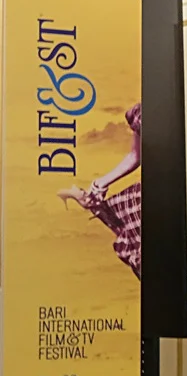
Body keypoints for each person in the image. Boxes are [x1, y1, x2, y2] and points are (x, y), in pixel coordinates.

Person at [58, 102, 142, 279]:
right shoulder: (143, 112)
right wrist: (99, 184)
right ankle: (89, 199)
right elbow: (135, 156)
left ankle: (87, 199)